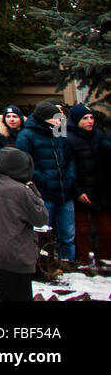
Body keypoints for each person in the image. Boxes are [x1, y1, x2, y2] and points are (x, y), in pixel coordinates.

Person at [0, 146, 50, 301]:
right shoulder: (22, 191)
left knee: (5, 294)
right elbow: (41, 219)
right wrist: (35, 191)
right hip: (19, 255)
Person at [15, 100, 77, 264]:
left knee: (68, 235)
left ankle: (68, 265)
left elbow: (70, 158)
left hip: (65, 193)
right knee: (42, 234)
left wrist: (70, 177)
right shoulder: (27, 135)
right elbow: (24, 164)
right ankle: (42, 265)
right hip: (44, 194)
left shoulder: (59, 131)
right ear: (45, 118)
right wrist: (43, 179)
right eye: (56, 117)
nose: (60, 120)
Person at [67, 103, 111, 264]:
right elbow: (68, 167)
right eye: (85, 118)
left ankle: (104, 261)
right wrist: (77, 191)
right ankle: (84, 262)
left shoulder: (99, 136)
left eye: (91, 117)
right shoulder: (68, 139)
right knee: (82, 231)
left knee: (107, 230)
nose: (90, 121)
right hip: (79, 191)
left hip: (100, 191)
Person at [0, 104, 24, 172]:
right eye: (8, 116)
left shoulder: (27, 135)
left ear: (20, 118)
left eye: (14, 116)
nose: (11, 119)